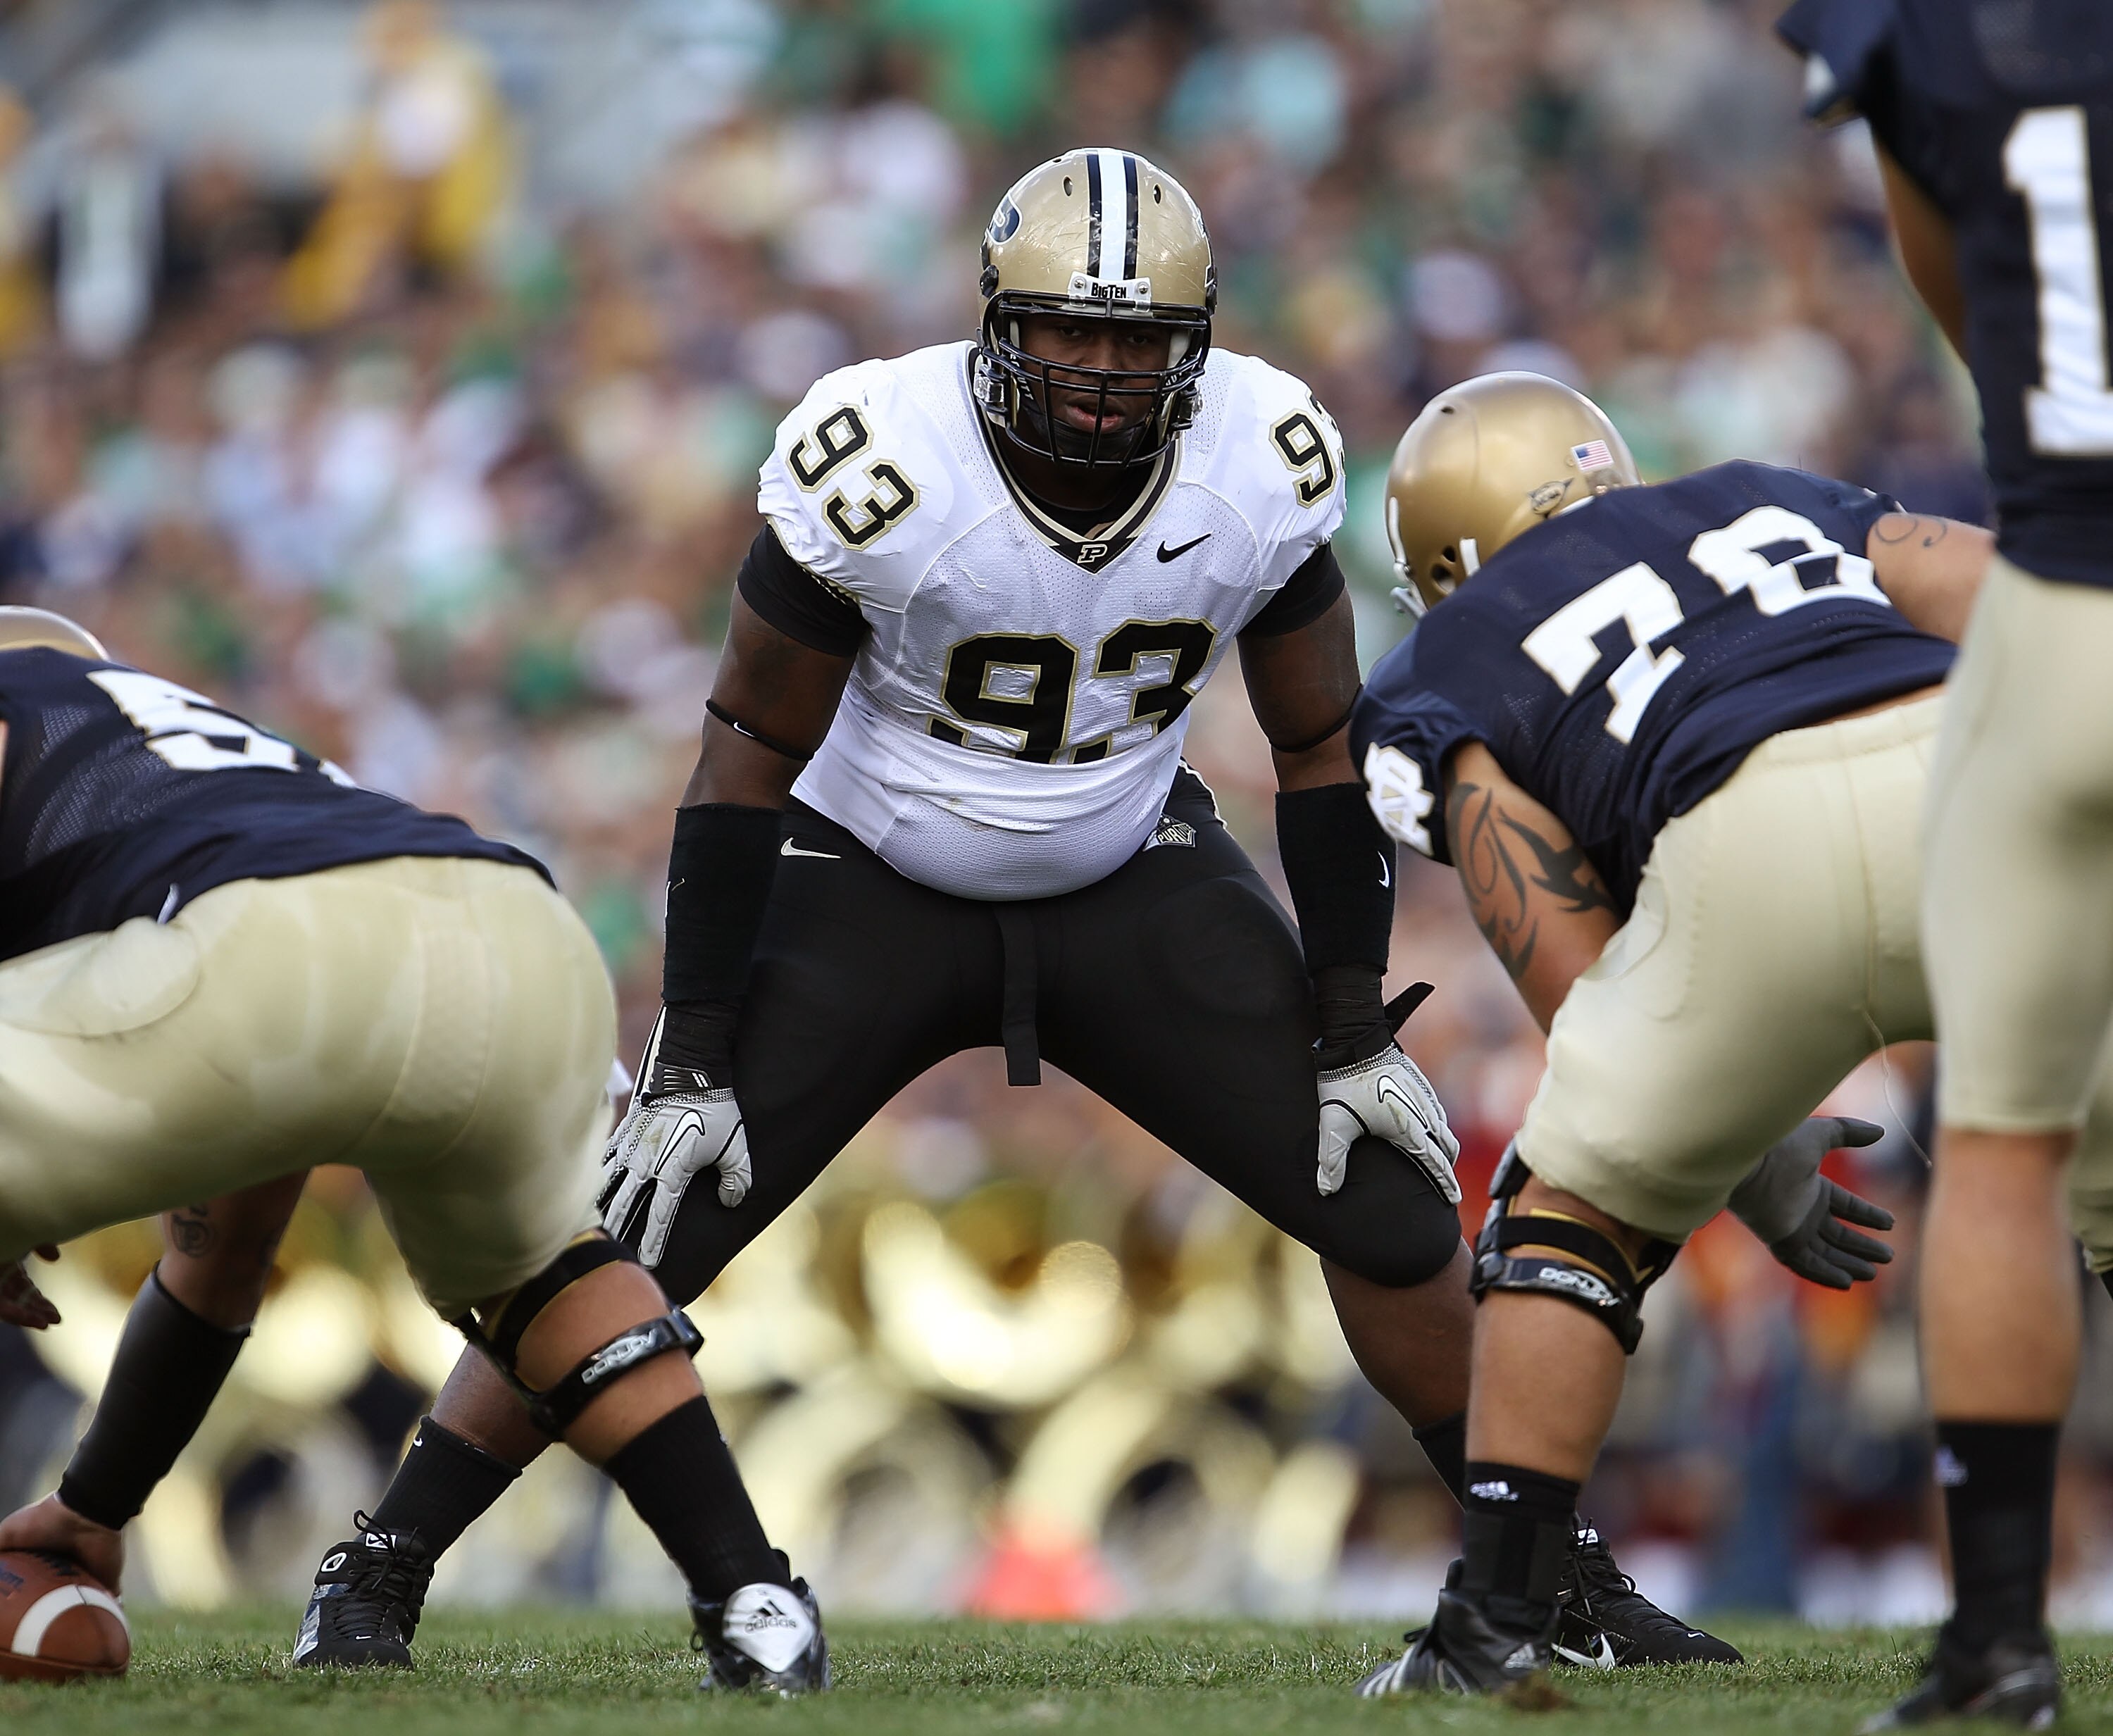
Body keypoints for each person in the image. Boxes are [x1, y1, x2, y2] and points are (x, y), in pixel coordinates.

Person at [294, 149, 1730, 1671]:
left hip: (1127, 860)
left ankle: (1556, 1579)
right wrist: (698, 1049)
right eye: (1070, 332)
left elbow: (1320, 746)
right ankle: (380, 1563)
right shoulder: (885, 459)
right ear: (997, 321)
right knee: (637, 1224)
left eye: (1138, 341)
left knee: (1382, 1209)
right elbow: (745, 758)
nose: (1104, 371)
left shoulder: (1262, 450)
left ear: (1198, 349)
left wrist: (1353, 1022)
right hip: (871, 868)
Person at [0, 607, 825, 1694]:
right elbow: (219, 1260)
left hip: (256, 940)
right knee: (541, 1279)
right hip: (508, 924)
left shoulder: (43, 719)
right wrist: (94, 1509)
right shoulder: (202, 751)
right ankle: (755, 1602)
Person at [1345, 371, 2000, 1701]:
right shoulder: (1763, 493)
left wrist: (1734, 1149)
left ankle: (1494, 1629)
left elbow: (1572, 977)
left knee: (1565, 1204)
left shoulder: (1445, 658)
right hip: (1972, 786)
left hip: (1742, 825)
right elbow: (2006, 599)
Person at [1778, 1, 2113, 1723]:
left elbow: (1955, 266)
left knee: (1998, 1157)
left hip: (2061, 606)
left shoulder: (1960, 30)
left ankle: (1998, 1645)